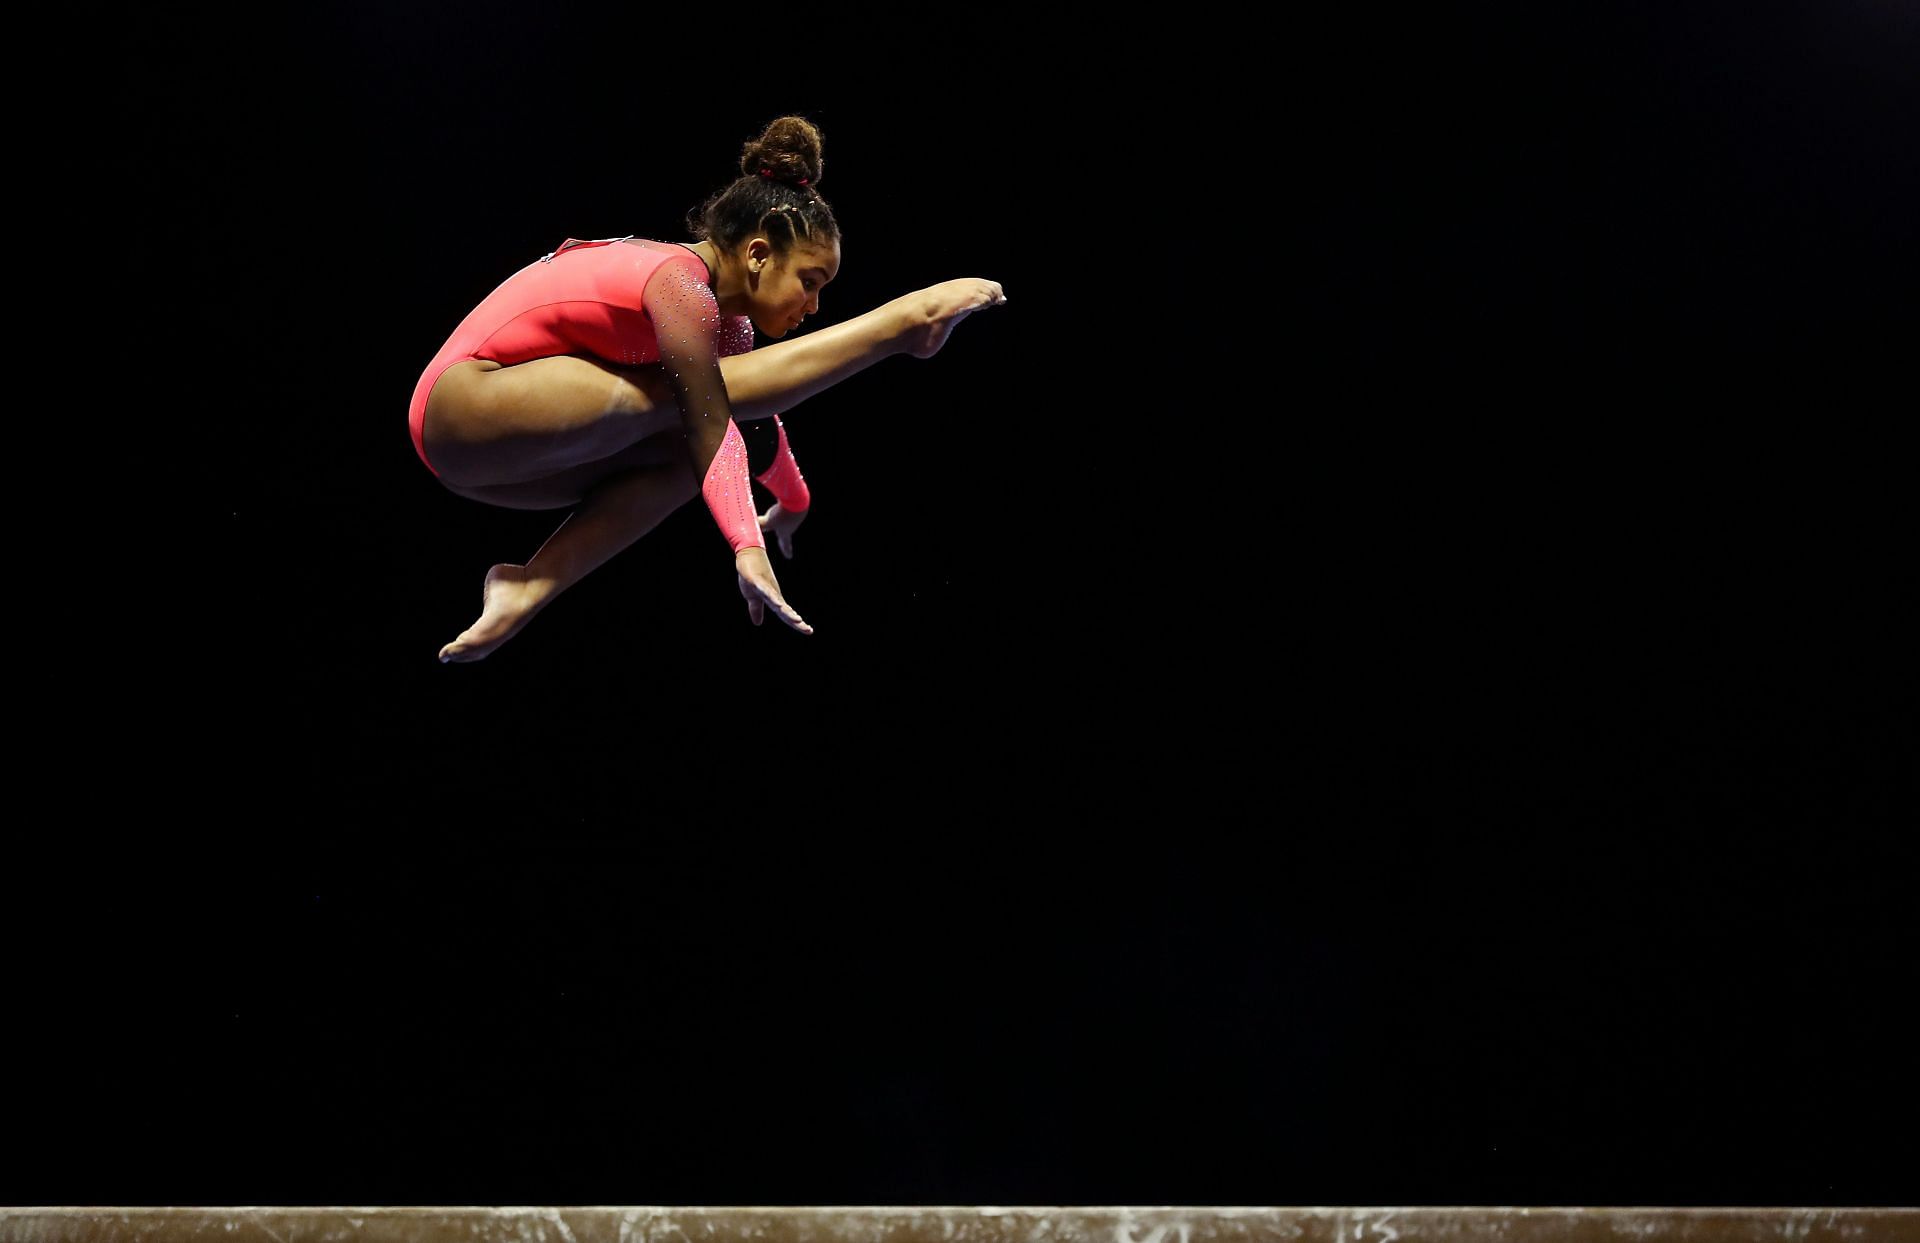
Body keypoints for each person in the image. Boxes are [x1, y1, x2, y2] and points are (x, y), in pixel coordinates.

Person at [409, 115, 1006, 663]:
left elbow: (747, 419)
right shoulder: (680, 283)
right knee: (686, 408)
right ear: (758, 252)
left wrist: (792, 501)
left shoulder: (730, 325)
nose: (814, 304)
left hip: (503, 468)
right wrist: (747, 547)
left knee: (685, 453)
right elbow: (710, 416)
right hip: (460, 407)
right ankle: (898, 325)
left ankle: (527, 583)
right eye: (809, 280)